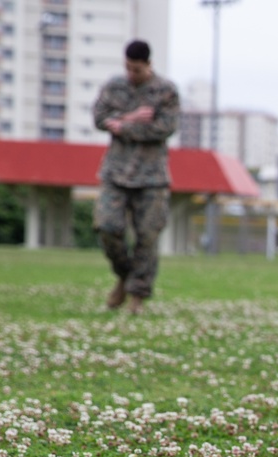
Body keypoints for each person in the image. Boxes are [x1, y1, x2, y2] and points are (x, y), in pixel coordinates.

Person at [92, 39, 179, 314]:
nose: (132, 74)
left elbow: (164, 129)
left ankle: (136, 297)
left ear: (149, 65)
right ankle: (123, 275)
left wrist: (121, 126)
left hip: (152, 176)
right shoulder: (114, 86)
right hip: (115, 173)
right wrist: (131, 118)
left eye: (137, 69)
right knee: (107, 227)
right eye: (128, 68)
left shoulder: (165, 91)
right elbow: (99, 117)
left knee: (147, 237)